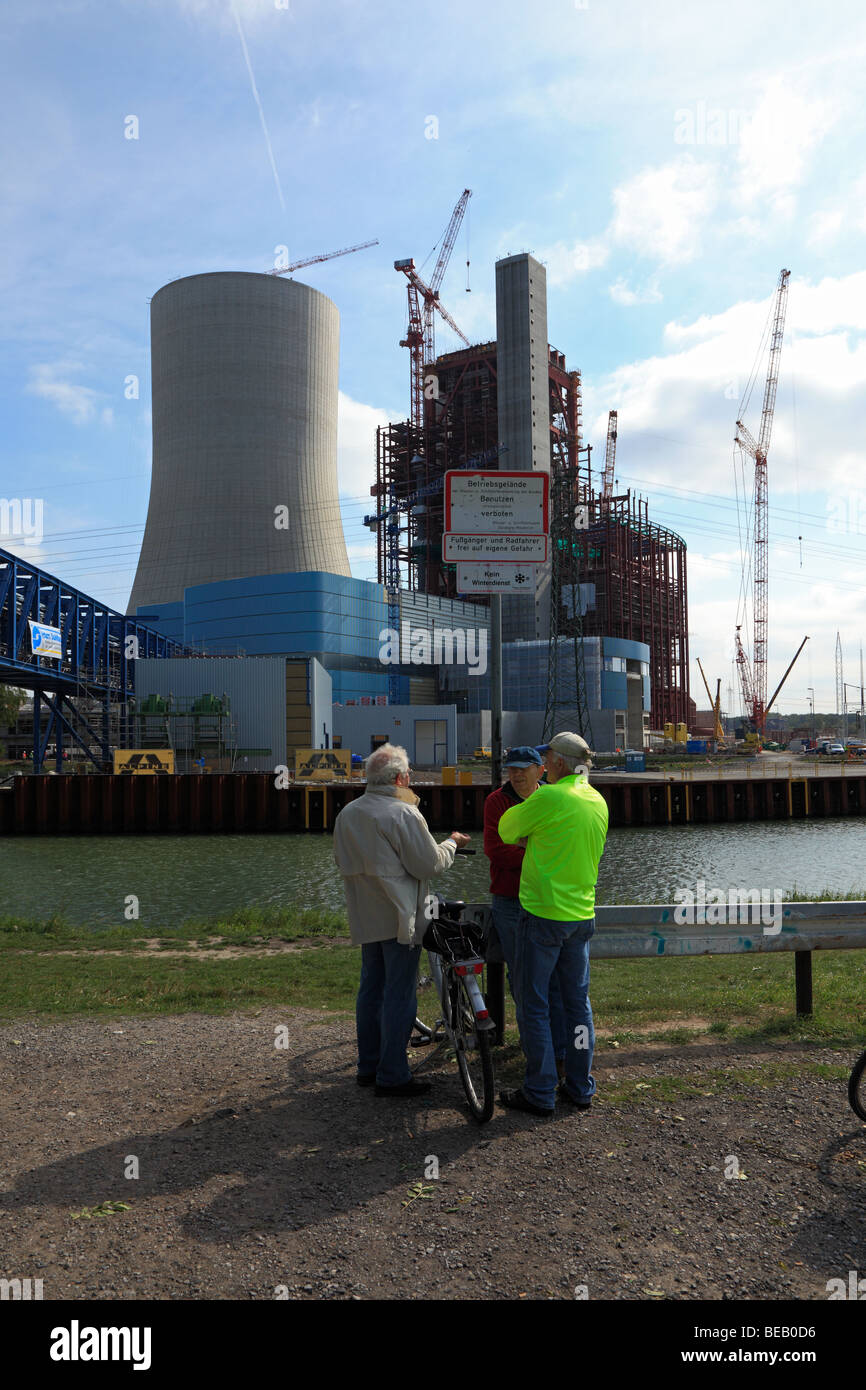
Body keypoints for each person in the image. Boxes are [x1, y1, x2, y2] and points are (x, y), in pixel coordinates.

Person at [333, 743, 470, 1097]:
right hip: (400, 916)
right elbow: (429, 864)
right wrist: (452, 843)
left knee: (371, 990)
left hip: (366, 915)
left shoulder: (348, 813)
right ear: (400, 778)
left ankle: (369, 1065)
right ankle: (392, 1074)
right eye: (409, 775)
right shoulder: (403, 814)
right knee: (399, 993)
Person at [496, 732, 609, 1117]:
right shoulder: (596, 801)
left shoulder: (549, 797)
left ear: (558, 763)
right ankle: (580, 1086)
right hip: (582, 917)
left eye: (548, 758)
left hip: (543, 915)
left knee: (534, 1005)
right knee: (578, 1005)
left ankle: (540, 1090)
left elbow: (507, 829)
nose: (545, 764)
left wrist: (533, 834)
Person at [482, 745, 568, 1078]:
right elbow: (496, 851)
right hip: (511, 900)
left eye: (523, 769)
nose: (516, 775)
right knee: (521, 979)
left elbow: (558, 844)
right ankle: (536, 1052)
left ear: (540, 770)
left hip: (547, 901)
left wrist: (525, 846)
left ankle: (557, 1052)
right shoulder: (496, 802)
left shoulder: (551, 797)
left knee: (554, 982)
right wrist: (538, 855)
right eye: (511, 770)